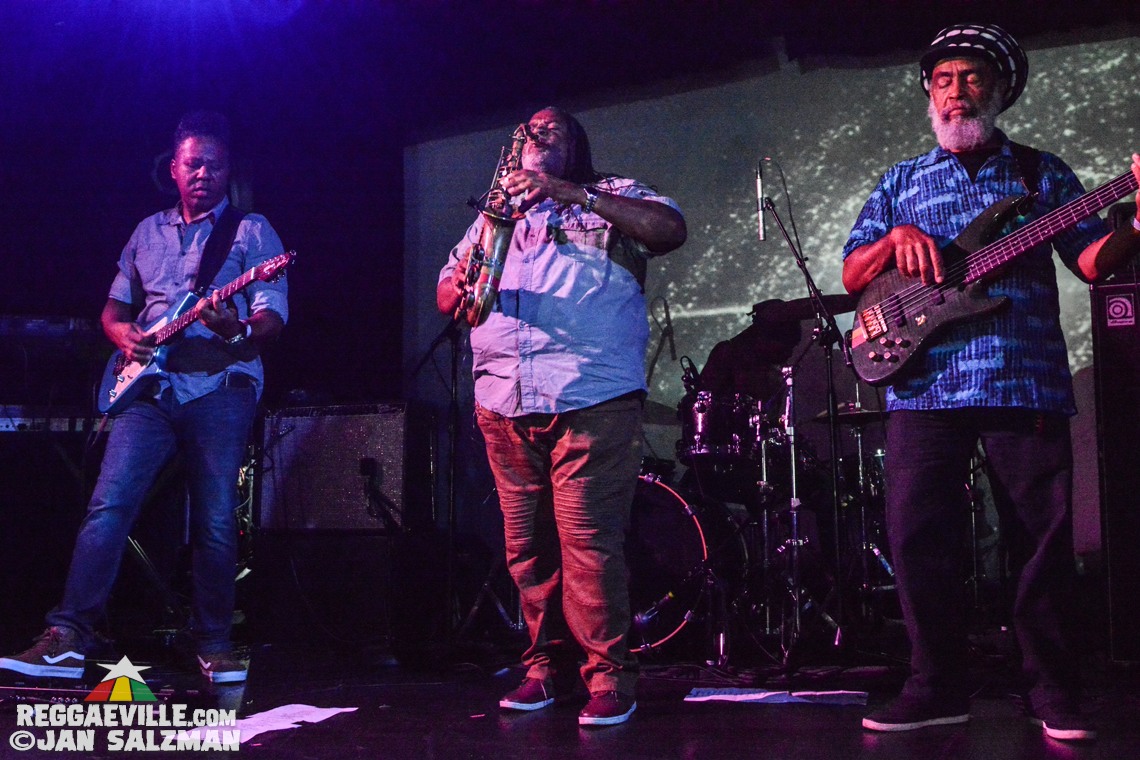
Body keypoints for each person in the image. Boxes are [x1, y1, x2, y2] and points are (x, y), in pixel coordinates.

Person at [842, 24, 1140, 741]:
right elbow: (853, 274)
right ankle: (935, 687)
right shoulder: (902, 180)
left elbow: (1092, 261)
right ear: (929, 94)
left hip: (1022, 378)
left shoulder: (1040, 173)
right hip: (924, 386)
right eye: (943, 79)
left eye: (972, 77)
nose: (956, 91)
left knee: (1039, 543)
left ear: (1001, 90)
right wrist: (891, 242)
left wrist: (1137, 220)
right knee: (919, 539)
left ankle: (1053, 691)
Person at [0, 111, 288, 684]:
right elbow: (114, 312)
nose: (203, 173)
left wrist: (233, 327)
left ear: (228, 170)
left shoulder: (252, 232)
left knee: (213, 518)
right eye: (193, 164)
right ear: (173, 169)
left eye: (215, 165)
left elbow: (271, 320)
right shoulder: (145, 232)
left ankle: (214, 644)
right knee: (108, 506)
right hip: (149, 388)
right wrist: (121, 336)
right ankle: (67, 637)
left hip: (220, 386)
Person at [436, 107, 686, 726]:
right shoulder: (493, 214)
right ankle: (544, 669)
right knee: (527, 551)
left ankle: (609, 677)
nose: (536, 132)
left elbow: (669, 229)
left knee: (589, 545)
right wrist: (461, 285)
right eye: (528, 128)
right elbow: (447, 292)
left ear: (577, 146)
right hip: (504, 400)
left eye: (552, 128)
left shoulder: (611, 193)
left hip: (589, 397)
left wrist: (569, 193)